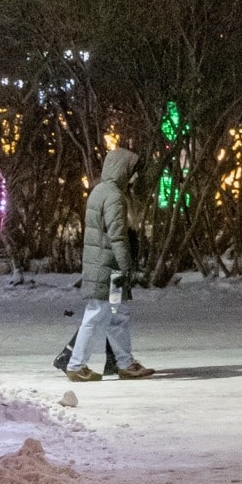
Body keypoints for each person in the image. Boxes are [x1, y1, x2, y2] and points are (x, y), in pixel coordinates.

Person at [66, 145, 156, 382]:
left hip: (105, 265)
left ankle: (125, 362)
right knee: (98, 313)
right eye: (133, 170)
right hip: (110, 267)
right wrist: (127, 266)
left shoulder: (99, 191)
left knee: (118, 313)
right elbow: (117, 235)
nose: (135, 176)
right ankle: (76, 365)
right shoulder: (115, 196)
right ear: (123, 170)